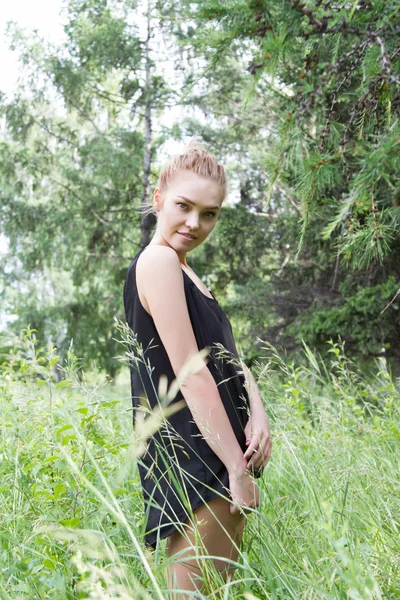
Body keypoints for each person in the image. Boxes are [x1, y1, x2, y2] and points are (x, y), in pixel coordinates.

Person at [123, 139, 272, 598]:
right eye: (184, 206)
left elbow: (228, 357)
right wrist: (236, 469)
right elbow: (192, 372)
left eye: (209, 213)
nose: (195, 223)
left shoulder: (185, 269)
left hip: (221, 449)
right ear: (158, 199)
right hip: (197, 455)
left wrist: (259, 414)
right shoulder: (159, 261)